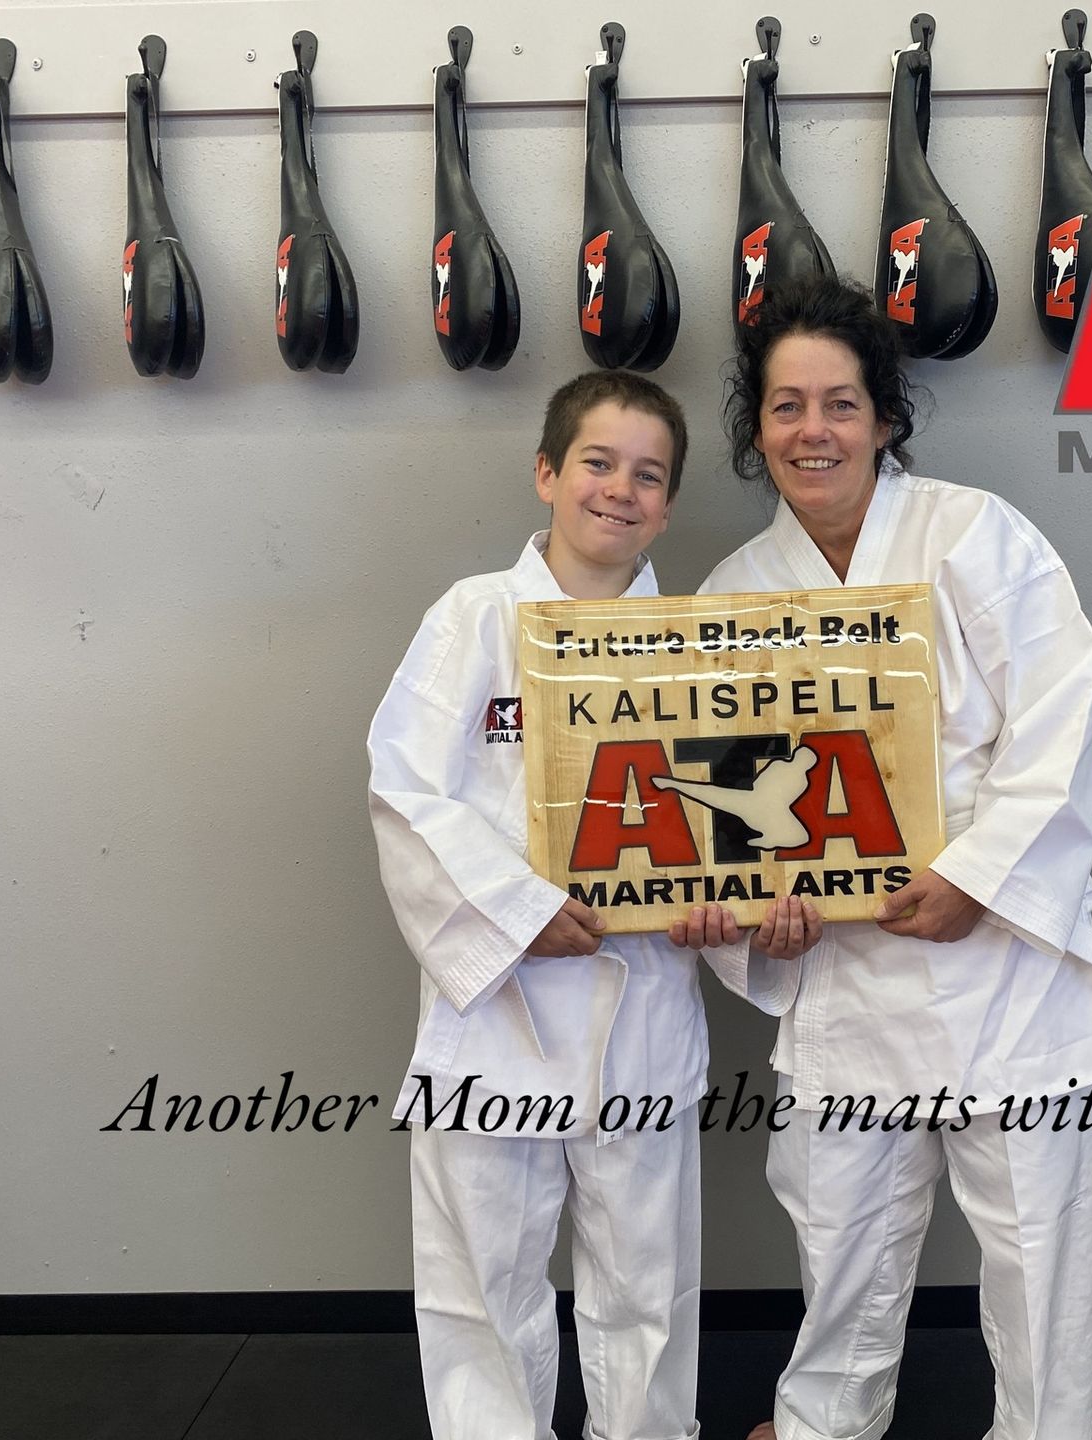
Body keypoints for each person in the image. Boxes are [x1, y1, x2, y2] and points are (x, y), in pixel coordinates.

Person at [674, 276, 1092, 1440]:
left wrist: (978, 876)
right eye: (788, 405)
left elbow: (1060, 717)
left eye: (840, 403)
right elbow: (736, 802)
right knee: (838, 1227)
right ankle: (824, 1424)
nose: (814, 430)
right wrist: (761, 910)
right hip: (850, 971)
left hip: (996, 961)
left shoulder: (976, 535)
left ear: (885, 418)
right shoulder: (738, 593)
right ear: (758, 429)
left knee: (1036, 1246)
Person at [367, 369, 817, 1440]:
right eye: (598, 464)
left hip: (643, 1008)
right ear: (548, 474)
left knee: (647, 1288)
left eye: (649, 475)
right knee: (483, 1284)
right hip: (500, 1013)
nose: (620, 490)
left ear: (667, 504)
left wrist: (741, 914)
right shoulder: (475, 617)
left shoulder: (703, 645)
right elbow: (405, 786)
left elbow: (740, 825)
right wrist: (517, 909)